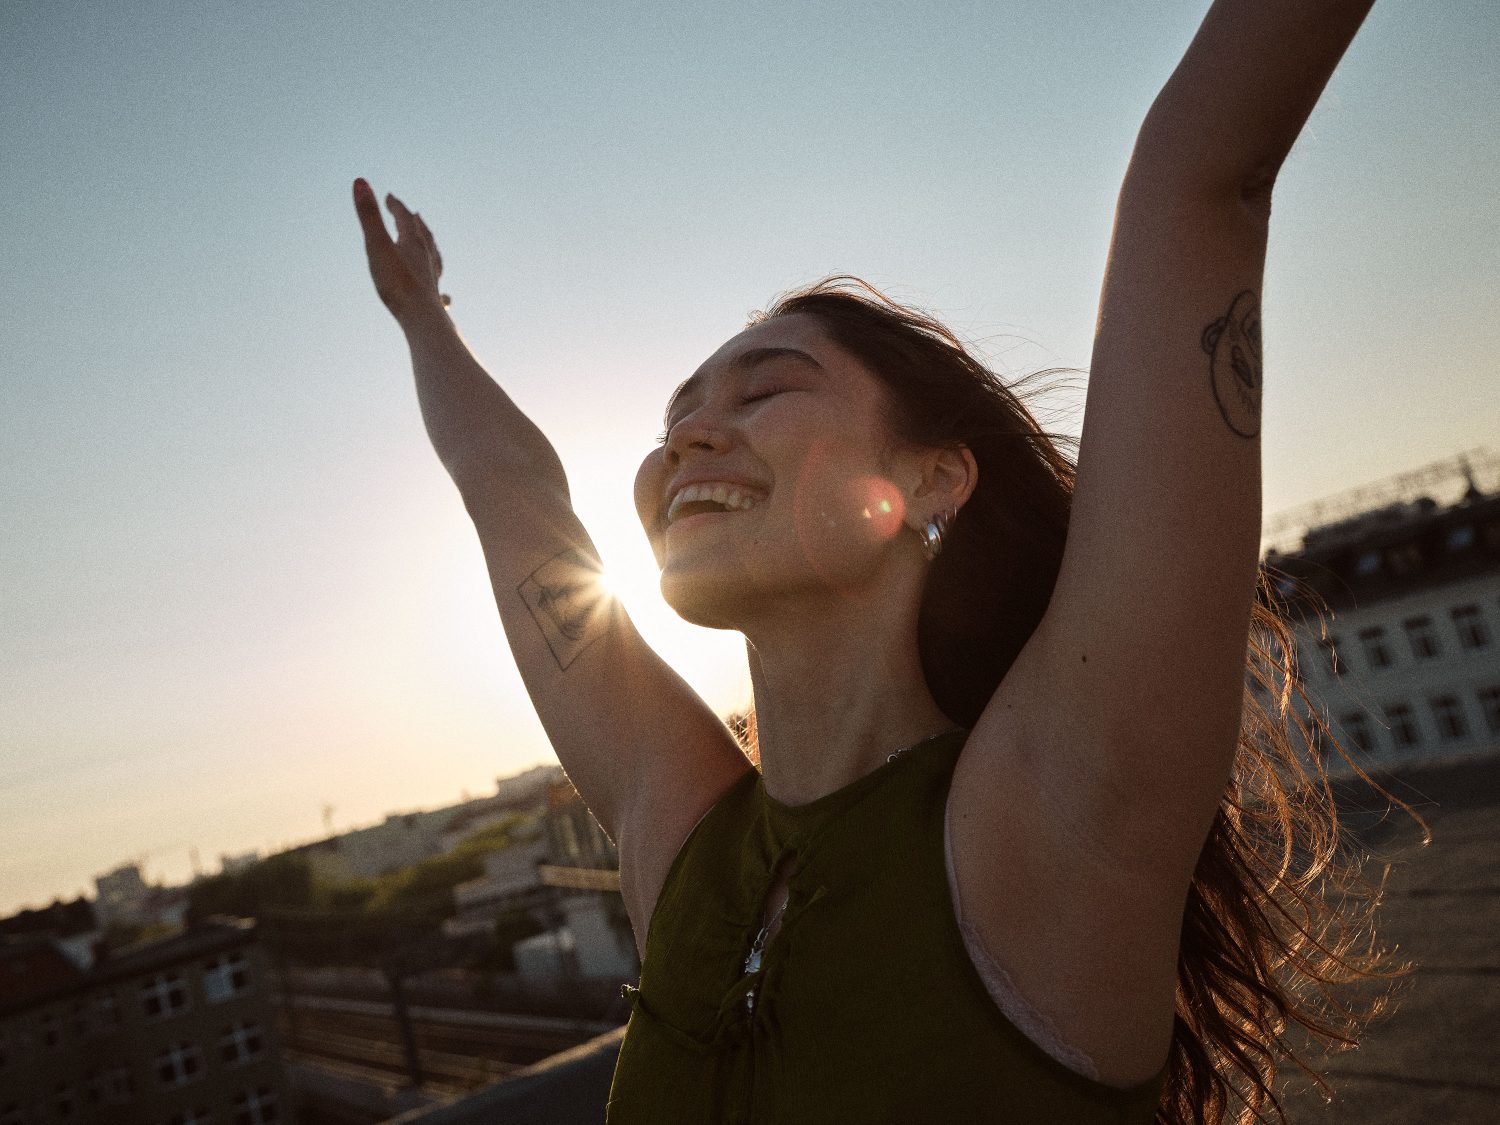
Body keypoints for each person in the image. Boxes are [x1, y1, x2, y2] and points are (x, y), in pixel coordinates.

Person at [352, 1, 1404, 1120]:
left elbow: (1203, 176)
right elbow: (512, 496)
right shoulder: (686, 841)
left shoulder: (1052, 817)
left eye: (767, 390)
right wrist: (424, 319)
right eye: (676, 418)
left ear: (935, 481)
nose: (689, 439)